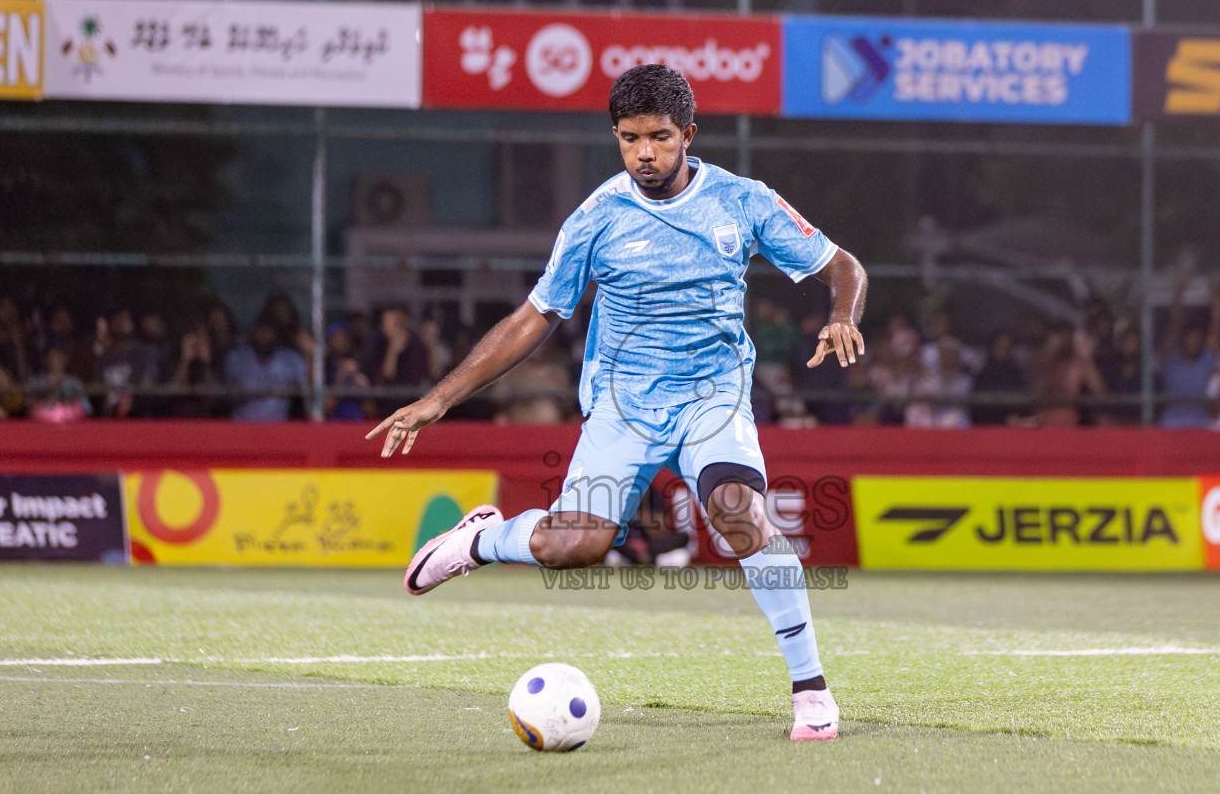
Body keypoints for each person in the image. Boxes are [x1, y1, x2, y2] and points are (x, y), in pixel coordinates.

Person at [367, 65, 866, 741]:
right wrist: (440, 398)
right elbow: (535, 316)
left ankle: (811, 691)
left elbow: (842, 264)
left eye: (659, 137)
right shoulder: (598, 218)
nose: (645, 154)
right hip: (621, 406)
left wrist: (842, 314)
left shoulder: (743, 202)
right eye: (630, 139)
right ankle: (481, 540)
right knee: (577, 545)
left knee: (739, 513)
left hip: (711, 399)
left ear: (688, 134)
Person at [1157, 276, 1220, 429]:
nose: (1194, 343)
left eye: (1198, 340)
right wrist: (1180, 292)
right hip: (1171, 424)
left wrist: (1216, 295)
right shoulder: (1170, 361)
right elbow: (1174, 322)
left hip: (1201, 425)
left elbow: (1217, 323)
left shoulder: (1206, 360)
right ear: (1183, 341)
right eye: (1191, 340)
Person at [224, 319, 307, 421]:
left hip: (278, 427)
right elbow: (227, 396)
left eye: (269, 332)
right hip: (241, 425)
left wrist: (287, 390)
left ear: (277, 336)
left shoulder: (291, 358)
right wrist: (252, 392)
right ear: (253, 334)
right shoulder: (236, 357)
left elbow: (305, 392)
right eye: (261, 332)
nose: (264, 336)